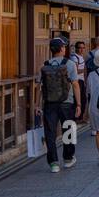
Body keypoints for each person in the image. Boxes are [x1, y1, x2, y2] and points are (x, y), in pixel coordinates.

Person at [38, 37, 81, 172]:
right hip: (66, 102)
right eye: (64, 47)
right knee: (68, 130)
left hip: (49, 103)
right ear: (62, 49)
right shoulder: (69, 64)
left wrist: (36, 105)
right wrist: (79, 104)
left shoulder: (45, 65)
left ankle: (54, 163)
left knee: (50, 132)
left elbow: (39, 87)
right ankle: (68, 158)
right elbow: (75, 84)